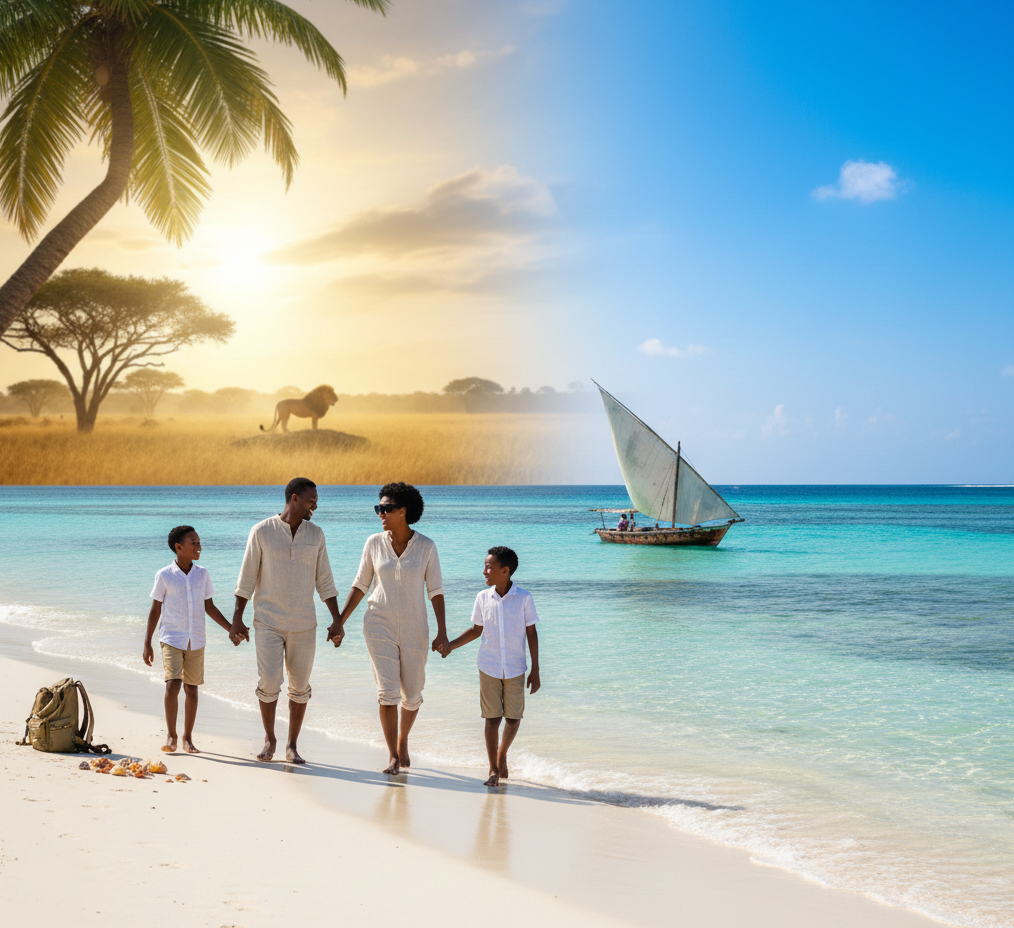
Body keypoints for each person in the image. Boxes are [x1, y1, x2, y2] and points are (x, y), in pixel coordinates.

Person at [332, 482, 447, 775]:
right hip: (378, 623)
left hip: (415, 627)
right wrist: (339, 621)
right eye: (378, 508)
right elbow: (360, 585)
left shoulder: (426, 547)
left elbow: (435, 591)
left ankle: (403, 739)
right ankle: (393, 756)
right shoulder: (373, 543)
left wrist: (442, 632)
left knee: (412, 693)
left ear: (403, 511)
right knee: (387, 693)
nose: (380, 513)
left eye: (386, 509)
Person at [230, 477, 343, 764]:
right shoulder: (262, 531)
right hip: (267, 620)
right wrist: (237, 619)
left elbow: (325, 581)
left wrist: (337, 620)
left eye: (316, 501)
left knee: (300, 686)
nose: (314, 506)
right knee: (269, 681)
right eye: (310, 501)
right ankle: (270, 738)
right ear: (294, 499)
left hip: (304, 623)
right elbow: (246, 578)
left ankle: (292, 745)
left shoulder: (316, 534)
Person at [439, 545, 540, 787]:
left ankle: (502, 752)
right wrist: (450, 645)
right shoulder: (482, 598)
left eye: (489, 567)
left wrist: (536, 669)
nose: (484, 571)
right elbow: (476, 630)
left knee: (513, 719)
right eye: (485, 566)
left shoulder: (524, 598)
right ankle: (493, 769)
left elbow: (532, 633)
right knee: (492, 718)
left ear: (505, 571)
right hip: (488, 666)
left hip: (516, 668)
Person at [143, 525, 231, 754]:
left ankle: (187, 738)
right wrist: (147, 643)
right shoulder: (163, 575)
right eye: (194, 543)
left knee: (192, 689)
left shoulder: (202, 574)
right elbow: (155, 610)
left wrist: (231, 628)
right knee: (173, 684)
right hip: (171, 637)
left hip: (197, 639)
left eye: (199, 542)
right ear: (178, 547)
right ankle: (171, 735)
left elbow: (209, 607)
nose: (199, 547)